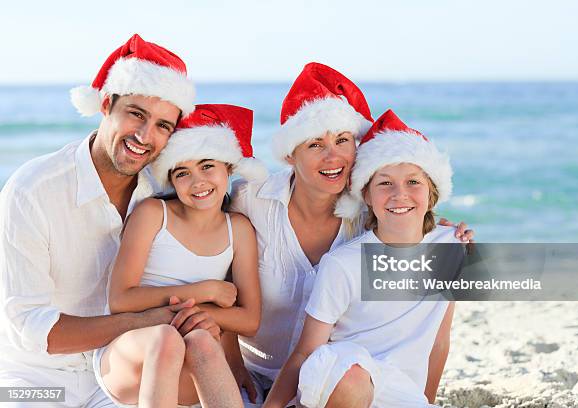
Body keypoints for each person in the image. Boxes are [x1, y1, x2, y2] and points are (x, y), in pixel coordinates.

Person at [224, 63, 473, 406]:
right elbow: (217, 278)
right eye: (315, 144)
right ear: (291, 154)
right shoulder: (251, 200)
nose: (333, 156)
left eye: (343, 140)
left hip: (334, 383)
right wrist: (233, 363)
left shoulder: (370, 212)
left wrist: (439, 230)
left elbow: (406, 212)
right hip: (253, 372)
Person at [0, 34, 199, 407]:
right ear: (106, 104)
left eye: (163, 126)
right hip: (31, 377)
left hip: (114, 373)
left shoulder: (163, 190)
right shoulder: (32, 190)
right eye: (136, 114)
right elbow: (31, 329)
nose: (145, 136)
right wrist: (146, 320)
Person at [264, 109, 459, 408]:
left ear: (432, 193)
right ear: (366, 196)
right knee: (353, 370)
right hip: (340, 385)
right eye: (385, 184)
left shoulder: (450, 249)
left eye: (413, 182)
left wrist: (425, 401)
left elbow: (438, 341)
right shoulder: (343, 264)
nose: (399, 194)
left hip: (398, 394)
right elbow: (306, 352)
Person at [93, 104, 267, 408]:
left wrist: (202, 315)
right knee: (167, 339)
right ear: (171, 180)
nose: (197, 182)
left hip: (192, 358)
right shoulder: (153, 214)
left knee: (200, 339)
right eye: (183, 172)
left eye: (207, 166)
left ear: (229, 168)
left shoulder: (238, 229)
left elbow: (250, 319)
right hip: (130, 357)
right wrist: (203, 293)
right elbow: (121, 299)